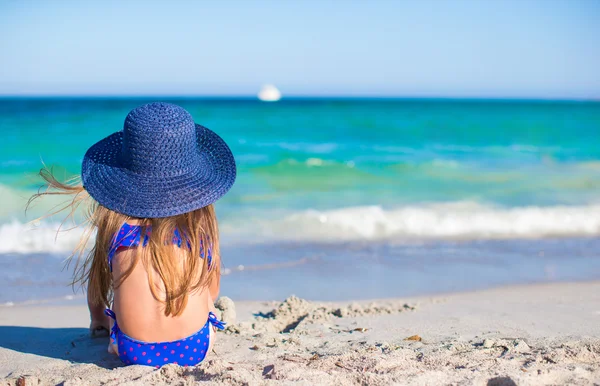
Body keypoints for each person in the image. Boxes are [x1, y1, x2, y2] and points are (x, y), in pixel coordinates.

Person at [29, 102, 236, 367]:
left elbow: (98, 285)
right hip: (194, 347)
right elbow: (212, 291)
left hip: (131, 350)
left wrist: (98, 321)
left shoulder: (118, 230)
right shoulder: (198, 232)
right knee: (204, 302)